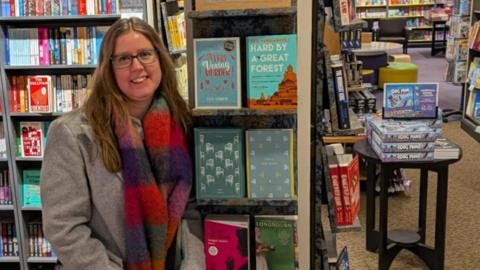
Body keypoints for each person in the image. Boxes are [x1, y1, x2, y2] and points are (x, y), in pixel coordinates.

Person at [40, 17, 192, 270]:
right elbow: (63, 227)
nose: (137, 66)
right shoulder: (71, 133)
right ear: (108, 68)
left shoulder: (182, 124)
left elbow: (192, 210)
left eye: (145, 54)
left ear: (160, 59)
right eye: (123, 59)